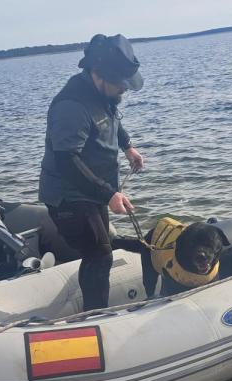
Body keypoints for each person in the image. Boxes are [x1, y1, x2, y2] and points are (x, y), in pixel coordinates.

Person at [39, 34, 146, 311]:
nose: (124, 90)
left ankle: (96, 306)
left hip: (93, 190)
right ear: (98, 74)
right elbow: (66, 161)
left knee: (101, 248)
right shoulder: (71, 106)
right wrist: (109, 193)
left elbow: (113, 121)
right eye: (120, 84)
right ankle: (95, 315)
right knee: (99, 255)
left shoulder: (102, 94)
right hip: (69, 196)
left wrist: (128, 147)